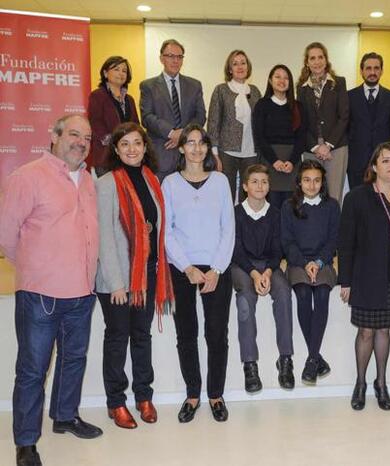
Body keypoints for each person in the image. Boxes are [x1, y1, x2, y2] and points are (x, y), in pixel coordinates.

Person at [0, 114, 102, 466]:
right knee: (32, 369)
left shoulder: (88, 179)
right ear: (55, 136)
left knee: (74, 359)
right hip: (40, 293)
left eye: (87, 138)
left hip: (81, 292)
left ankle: (65, 416)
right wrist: (36, 266)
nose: (81, 142)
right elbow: (6, 235)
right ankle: (26, 442)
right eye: (74, 134)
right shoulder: (27, 176)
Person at [95, 122, 175, 429]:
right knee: (117, 338)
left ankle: (144, 396)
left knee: (142, 336)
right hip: (116, 280)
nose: (132, 149)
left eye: (137, 144)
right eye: (125, 144)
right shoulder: (105, 184)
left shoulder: (151, 179)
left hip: (147, 274)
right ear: (115, 149)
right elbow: (105, 237)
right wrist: (116, 283)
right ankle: (116, 402)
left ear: (145, 147)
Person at [162, 124, 235, 423]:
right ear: (181, 148)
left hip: (217, 267)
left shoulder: (220, 181)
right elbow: (166, 232)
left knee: (217, 334)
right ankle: (193, 394)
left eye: (201, 142)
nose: (196, 148)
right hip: (182, 267)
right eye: (189, 143)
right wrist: (187, 267)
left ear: (207, 148)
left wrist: (217, 268)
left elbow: (228, 227)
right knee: (186, 333)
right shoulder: (169, 183)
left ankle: (215, 395)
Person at [338, 142, 390, 411]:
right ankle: (360, 383)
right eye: (385, 160)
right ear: (373, 167)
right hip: (366, 275)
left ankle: (381, 383)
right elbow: (345, 242)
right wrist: (345, 280)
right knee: (366, 331)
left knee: (384, 329)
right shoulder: (357, 197)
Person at [232, 164, 294, 393]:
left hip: (270, 265)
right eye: (255, 182)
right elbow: (236, 249)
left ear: (269, 186)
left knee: (284, 293)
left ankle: (285, 359)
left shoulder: (276, 213)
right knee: (246, 299)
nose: (260, 186)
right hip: (244, 266)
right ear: (245, 186)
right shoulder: (236, 213)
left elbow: (279, 249)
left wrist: (267, 272)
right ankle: (250, 364)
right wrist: (254, 273)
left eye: (264, 182)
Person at [281, 159, 340, 384]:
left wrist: (318, 262)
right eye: (307, 180)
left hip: (323, 262)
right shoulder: (289, 207)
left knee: (322, 293)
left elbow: (333, 240)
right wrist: (305, 263)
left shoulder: (332, 206)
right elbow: (287, 242)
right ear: (299, 182)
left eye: (317, 180)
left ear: (323, 182)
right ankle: (316, 359)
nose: (312, 185)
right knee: (304, 293)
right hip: (297, 263)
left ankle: (312, 359)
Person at [140, 38, 207, 180]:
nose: (175, 60)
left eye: (179, 57)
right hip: (161, 154)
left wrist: (183, 134)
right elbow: (147, 117)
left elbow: (200, 116)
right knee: (160, 200)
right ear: (161, 58)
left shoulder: (194, 85)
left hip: (189, 158)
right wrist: (171, 133)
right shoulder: (148, 86)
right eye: (170, 56)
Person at [296, 42, 349, 205]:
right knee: (312, 196)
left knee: (333, 197)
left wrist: (328, 145)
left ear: (326, 60)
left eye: (320, 57)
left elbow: (344, 116)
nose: (317, 62)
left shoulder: (338, 82)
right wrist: (316, 146)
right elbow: (301, 122)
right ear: (307, 62)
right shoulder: (302, 88)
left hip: (336, 147)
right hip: (312, 148)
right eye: (312, 58)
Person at [208, 50, 262, 202]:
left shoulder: (256, 91)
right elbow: (213, 122)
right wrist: (215, 153)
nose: (240, 67)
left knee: (250, 195)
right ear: (230, 69)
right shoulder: (221, 90)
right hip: (227, 152)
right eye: (235, 63)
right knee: (226, 195)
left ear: (248, 67)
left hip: (251, 152)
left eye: (243, 63)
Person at [252, 64, 306, 208]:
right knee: (272, 206)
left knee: (291, 208)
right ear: (270, 81)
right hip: (270, 161)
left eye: (286, 78)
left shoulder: (298, 107)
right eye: (277, 77)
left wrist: (292, 161)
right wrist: (274, 161)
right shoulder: (262, 105)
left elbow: (302, 137)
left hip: (292, 162)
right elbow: (259, 137)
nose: (282, 81)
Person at [347, 53, 390, 189]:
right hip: (356, 162)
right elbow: (346, 127)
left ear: (382, 71)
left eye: (376, 68)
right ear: (361, 71)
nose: (372, 72)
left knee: (381, 202)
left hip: (382, 161)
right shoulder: (349, 97)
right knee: (358, 202)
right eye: (368, 68)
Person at [87, 55, 140, 176]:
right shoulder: (97, 95)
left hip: (129, 155)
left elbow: (136, 125)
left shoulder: (129, 99)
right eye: (116, 69)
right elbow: (96, 123)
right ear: (105, 73)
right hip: (106, 156)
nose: (121, 73)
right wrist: (116, 143)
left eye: (124, 71)